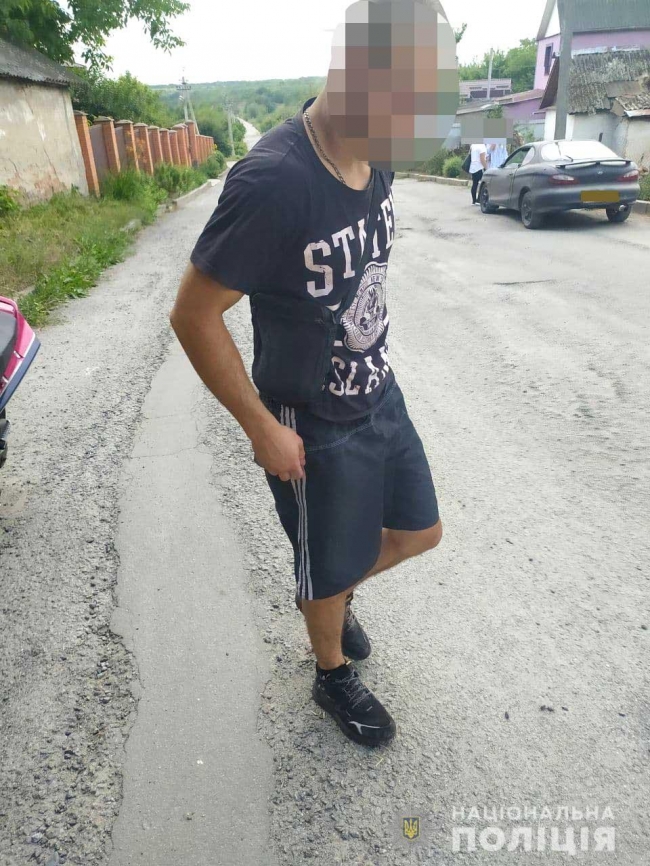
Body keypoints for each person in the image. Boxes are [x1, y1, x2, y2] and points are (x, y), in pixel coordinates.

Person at [170, 0, 452, 747]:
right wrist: (261, 427)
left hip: (378, 391)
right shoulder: (272, 182)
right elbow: (193, 315)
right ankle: (330, 671)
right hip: (311, 416)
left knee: (420, 531)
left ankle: (332, 593)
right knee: (325, 567)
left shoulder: (377, 155)